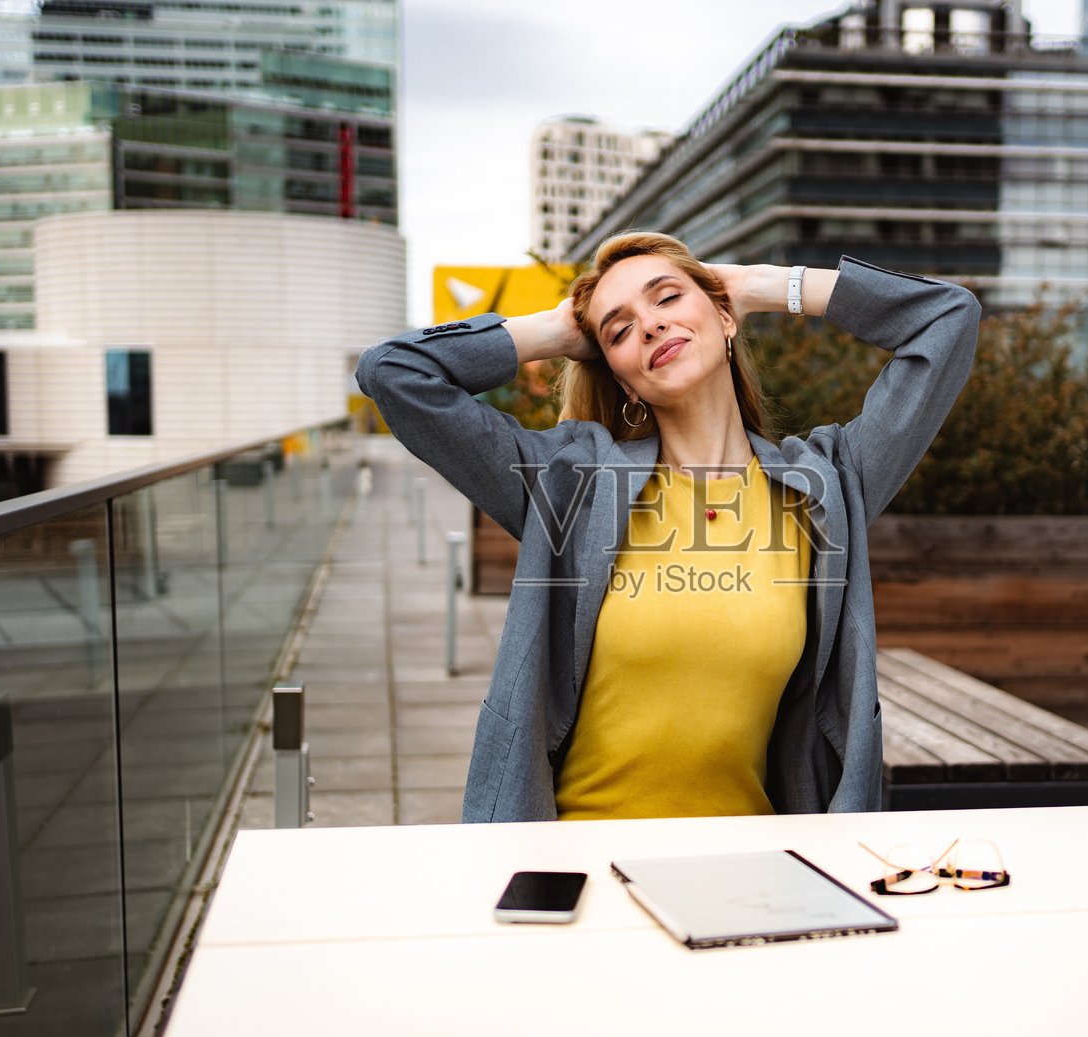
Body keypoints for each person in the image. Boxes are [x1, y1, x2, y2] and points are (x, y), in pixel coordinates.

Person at [357, 232, 979, 822]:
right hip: (582, 868)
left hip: (757, 866)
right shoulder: (571, 482)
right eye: (620, 329)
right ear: (617, 373)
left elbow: (948, 318)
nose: (649, 324)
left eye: (668, 297)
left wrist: (771, 286)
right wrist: (557, 329)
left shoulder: (827, 485)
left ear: (725, 317)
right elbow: (393, 372)